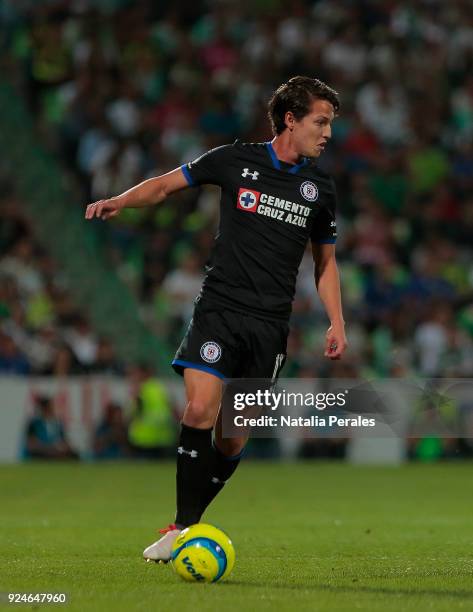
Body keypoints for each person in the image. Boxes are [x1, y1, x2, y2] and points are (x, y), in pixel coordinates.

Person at [85, 76, 348, 562]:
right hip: (220, 310)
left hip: (269, 326)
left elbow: (325, 263)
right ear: (290, 119)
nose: (328, 132)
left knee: (231, 438)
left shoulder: (319, 189)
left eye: (330, 123)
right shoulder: (234, 160)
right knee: (200, 412)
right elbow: (165, 185)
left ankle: (186, 523)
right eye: (321, 121)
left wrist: (336, 320)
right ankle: (183, 527)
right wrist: (120, 200)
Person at [24, 395, 79, 460]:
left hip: (57, 451)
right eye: (50, 407)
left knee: (74, 455)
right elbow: (31, 444)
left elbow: (64, 440)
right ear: (44, 408)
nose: (52, 409)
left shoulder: (57, 423)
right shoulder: (34, 424)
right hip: (43, 451)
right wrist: (50, 447)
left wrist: (65, 447)